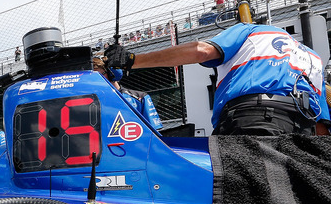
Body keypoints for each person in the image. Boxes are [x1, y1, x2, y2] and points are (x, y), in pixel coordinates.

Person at [104, 23, 331, 135]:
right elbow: (322, 127)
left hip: (254, 119)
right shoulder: (313, 58)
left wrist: (132, 59)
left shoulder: (252, 30)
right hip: (304, 129)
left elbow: (201, 51)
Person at [92, 56, 163, 130]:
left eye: (99, 75)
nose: (96, 80)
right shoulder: (91, 102)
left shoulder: (140, 98)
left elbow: (155, 132)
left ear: (111, 73)